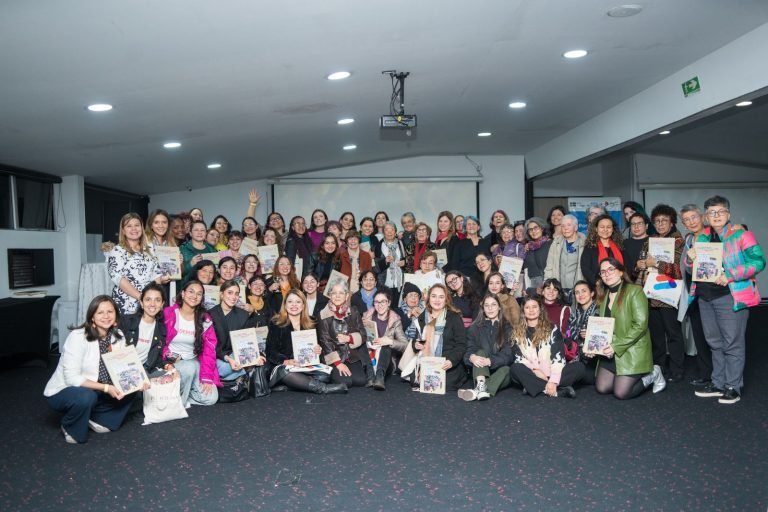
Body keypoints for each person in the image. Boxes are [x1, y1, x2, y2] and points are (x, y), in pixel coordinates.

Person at [688, 196, 765, 404]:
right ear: (706, 216)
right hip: (705, 296)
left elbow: (758, 261)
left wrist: (730, 275)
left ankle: (733, 387)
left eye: (720, 211)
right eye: (712, 212)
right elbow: (693, 268)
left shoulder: (742, 235)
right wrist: (690, 259)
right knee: (714, 342)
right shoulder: (702, 238)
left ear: (728, 214)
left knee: (732, 343)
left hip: (730, 295)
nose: (716, 216)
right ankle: (718, 383)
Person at [44, 296, 138, 444]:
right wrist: (106, 387)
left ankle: (95, 418)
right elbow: (72, 378)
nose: (106, 316)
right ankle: (69, 425)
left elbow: (123, 368)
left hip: (98, 389)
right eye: (100, 312)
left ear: (115, 315)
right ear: (92, 317)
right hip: (66, 390)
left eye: (110, 312)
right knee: (86, 397)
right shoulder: (78, 337)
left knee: (132, 387)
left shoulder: (118, 335)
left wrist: (138, 381)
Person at [590, 258, 665, 399]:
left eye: (610, 269)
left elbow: (640, 326)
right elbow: (604, 327)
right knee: (602, 387)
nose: (607, 274)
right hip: (611, 350)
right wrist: (594, 347)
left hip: (631, 349)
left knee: (621, 392)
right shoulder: (604, 295)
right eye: (603, 272)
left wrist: (615, 346)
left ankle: (654, 373)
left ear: (620, 272)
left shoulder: (635, 291)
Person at [635, 204, 685, 382]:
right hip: (650, 293)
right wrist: (639, 265)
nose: (661, 224)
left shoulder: (679, 241)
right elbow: (640, 265)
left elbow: (679, 270)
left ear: (672, 223)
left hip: (669, 293)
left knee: (673, 333)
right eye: (657, 221)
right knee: (656, 335)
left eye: (665, 220)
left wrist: (656, 263)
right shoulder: (649, 241)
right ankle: (659, 367)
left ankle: (677, 369)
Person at [265, 289, 347, 394]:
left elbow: (317, 346)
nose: (294, 305)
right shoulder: (276, 323)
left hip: (304, 366)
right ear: (285, 305)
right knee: (284, 371)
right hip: (284, 366)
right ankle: (323, 389)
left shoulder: (312, 322)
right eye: (290, 302)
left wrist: (318, 349)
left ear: (303, 305)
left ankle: (292, 385)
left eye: (298, 302)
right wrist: (286, 361)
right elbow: (270, 351)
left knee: (324, 376)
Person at [510, 296, 584, 398]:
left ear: (540, 309)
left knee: (579, 367)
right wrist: (535, 370)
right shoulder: (516, 332)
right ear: (523, 311)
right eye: (527, 307)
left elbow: (558, 358)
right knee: (515, 369)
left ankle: (535, 387)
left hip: (554, 372)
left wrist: (553, 380)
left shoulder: (553, 329)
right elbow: (519, 358)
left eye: (534, 307)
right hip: (533, 373)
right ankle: (557, 392)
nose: (531, 310)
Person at [162, 280, 221, 406]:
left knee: (211, 398)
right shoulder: (168, 313)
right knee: (189, 368)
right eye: (191, 291)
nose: (194, 296)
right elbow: (158, 341)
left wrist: (206, 377)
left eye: (199, 294)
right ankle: (175, 402)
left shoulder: (205, 320)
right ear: (183, 294)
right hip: (170, 363)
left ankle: (180, 395)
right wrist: (167, 356)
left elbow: (209, 351)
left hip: (193, 361)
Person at [407, 284, 467, 391]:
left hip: (447, 362)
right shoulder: (422, 317)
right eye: (434, 296)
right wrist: (416, 345)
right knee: (417, 381)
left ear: (446, 300)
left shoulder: (454, 317)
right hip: (426, 361)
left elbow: (461, 345)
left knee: (443, 384)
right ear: (429, 298)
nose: (437, 300)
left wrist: (451, 361)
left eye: (441, 297)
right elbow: (415, 340)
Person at [107, 213, 169, 315]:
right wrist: (141, 298)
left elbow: (156, 274)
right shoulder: (117, 251)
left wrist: (157, 298)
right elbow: (118, 279)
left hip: (150, 304)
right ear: (123, 230)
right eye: (129, 226)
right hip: (127, 304)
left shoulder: (149, 249)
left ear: (142, 228)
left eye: (137, 225)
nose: (134, 229)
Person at [677, 204, 712, 386]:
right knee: (699, 335)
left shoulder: (714, 236)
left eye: (694, 217)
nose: (691, 222)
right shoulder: (689, 239)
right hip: (693, 293)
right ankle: (706, 374)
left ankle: (720, 375)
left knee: (713, 336)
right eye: (686, 220)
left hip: (711, 293)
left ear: (702, 217)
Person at [317, 281, 372, 387]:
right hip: (333, 357)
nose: (337, 296)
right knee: (346, 382)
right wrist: (338, 363)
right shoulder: (323, 315)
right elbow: (325, 342)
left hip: (351, 355)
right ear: (330, 295)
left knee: (360, 381)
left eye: (341, 293)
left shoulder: (354, 311)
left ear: (346, 296)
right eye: (334, 293)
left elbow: (363, 334)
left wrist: (349, 338)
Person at [459, 294, 514, 401]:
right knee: (479, 352)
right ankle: (481, 383)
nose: (490, 308)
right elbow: (469, 350)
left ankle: (478, 390)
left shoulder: (507, 328)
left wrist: (490, 361)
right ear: (483, 309)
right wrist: (471, 357)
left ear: (499, 307)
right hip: (479, 370)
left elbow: (509, 354)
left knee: (508, 370)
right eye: (487, 305)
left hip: (499, 369)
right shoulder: (474, 328)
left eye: (493, 305)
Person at [209, 280, 266, 382]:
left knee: (254, 360)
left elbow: (246, 341)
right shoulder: (210, 314)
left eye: (236, 294)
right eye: (230, 293)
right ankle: (246, 370)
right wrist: (228, 359)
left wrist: (256, 356)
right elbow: (209, 346)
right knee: (221, 369)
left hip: (235, 354)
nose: (233, 297)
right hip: (216, 355)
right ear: (221, 294)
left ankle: (237, 373)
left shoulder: (243, 315)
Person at [363, 290, 409, 390]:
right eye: (376, 302)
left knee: (385, 345)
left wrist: (390, 341)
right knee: (362, 346)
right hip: (369, 356)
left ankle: (379, 377)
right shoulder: (366, 316)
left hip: (385, 361)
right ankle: (370, 376)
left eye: (383, 301)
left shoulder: (395, 320)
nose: (379, 305)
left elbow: (405, 345)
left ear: (389, 303)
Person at [118, 283, 167, 373]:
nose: (152, 304)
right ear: (141, 303)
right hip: (121, 369)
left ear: (162, 304)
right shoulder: (125, 322)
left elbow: (157, 359)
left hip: (143, 371)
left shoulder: (161, 330)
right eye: (148, 299)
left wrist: (168, 365)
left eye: (157, 300)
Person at [564, 280, 600, 383]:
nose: (580, 295)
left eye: (584, 291)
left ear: (592, 293)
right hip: (576, 354)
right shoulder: (575, 313)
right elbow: (568, 334)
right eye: (577, 292)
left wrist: (590, 335)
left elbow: (604, 337)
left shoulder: (599, 311)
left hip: (594, 358)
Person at [544, 214, 585, 295]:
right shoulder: (556, 243)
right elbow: (549, 266)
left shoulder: (584, 243)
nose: (565, 228)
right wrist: (547, 284)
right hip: (559, 289)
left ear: (576, 227)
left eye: (569, 225)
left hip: (578, 289)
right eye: (563, 226)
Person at [581, 214, 624, 287]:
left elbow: (626, 267)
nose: (605, 230)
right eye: (602, 227)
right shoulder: (590, 247)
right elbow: (585, 268)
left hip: (620, 285)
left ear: (613, 229)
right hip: (599, 287)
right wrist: (597, 282)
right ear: (596, 229)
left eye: (608, 227)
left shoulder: (620, 246)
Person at [374, 221, 406, 293]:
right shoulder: (378, 246)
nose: (389, 232)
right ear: (383, 232)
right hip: (384, 283)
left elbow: (408, 259)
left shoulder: (401, 244)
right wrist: (384, 261)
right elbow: (374, 267)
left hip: (400, 282)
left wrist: (405, 262)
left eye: (392, 229)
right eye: (386, 230)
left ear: (395, 232)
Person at [522, 217, 552, 292]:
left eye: (536, 228)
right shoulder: (528, 247)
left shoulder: (550, 244)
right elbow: (526, 268)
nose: (533, 231)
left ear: (542, 228)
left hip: (546, 283)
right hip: (531, 285)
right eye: (530, 229)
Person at [624, 212, 651, 281]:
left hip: (651, 281)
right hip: (631, 282)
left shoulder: (654, 241)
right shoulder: (624, 244)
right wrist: (636, 267)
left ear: (646, 226)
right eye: (633, 224)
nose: (636, 226)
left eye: (640, 223)